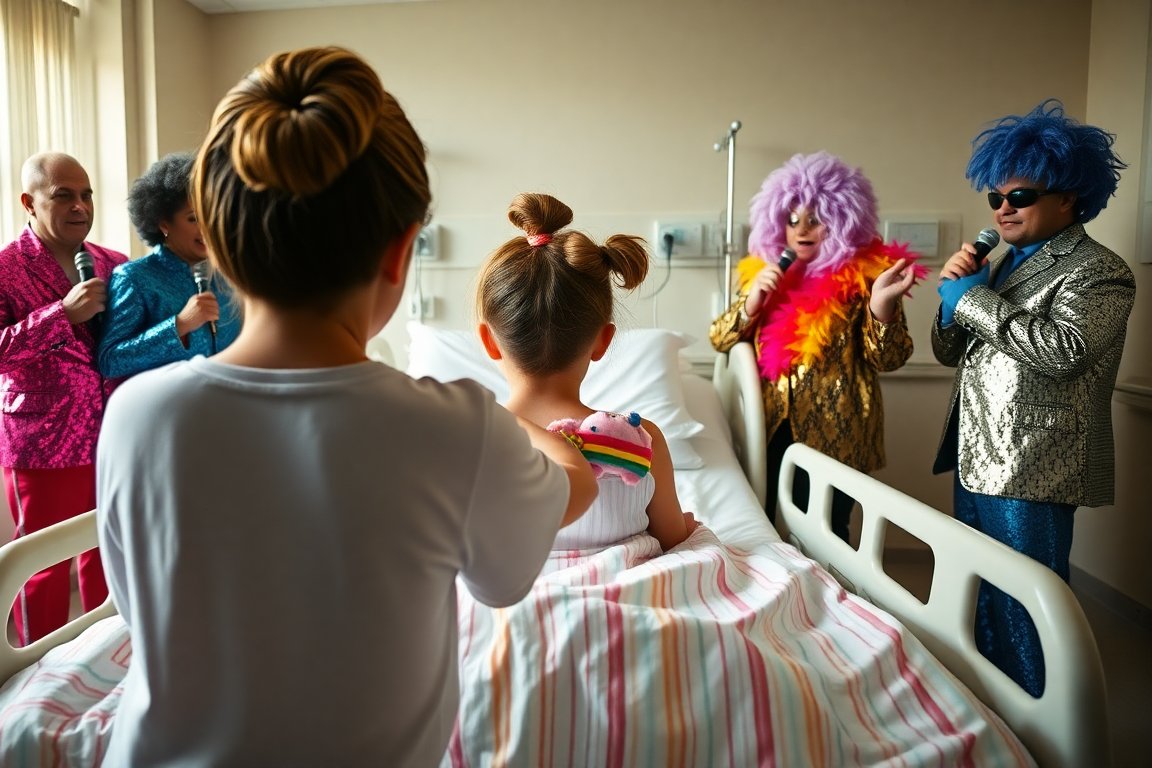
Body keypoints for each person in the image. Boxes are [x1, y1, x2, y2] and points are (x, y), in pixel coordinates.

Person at [94, 47, 598, 767]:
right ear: (400, 252)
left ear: (223, 250)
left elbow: (137, 603)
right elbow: (523, 552)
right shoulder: (456, 429)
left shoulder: (138, 414)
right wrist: (553, 440)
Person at [932, 99, 1135, 697]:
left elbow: (1065, 350)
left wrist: (971, 299)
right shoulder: (997, 267)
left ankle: (1048, 726)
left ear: (1069, 196)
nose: (1001, 209)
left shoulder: (1099, 269)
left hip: (1036, 464)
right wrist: (955, 292)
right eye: (995, 198)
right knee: (977, 599)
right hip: (976, 456)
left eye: (1018, 197)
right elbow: (952, 355)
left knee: (1029, 605)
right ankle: (993, 714)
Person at [0, 151, 125, 646]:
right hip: (42, 441)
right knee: (44, 562)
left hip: (116, 432)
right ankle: (35, 675)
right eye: (64, 195)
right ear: (29, 202)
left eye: (87, 194)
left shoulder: (116, 264)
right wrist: (58, 316)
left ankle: (103, 658)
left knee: (108, 552)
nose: (80, 206)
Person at [709, 151, 925, 542]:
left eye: (816, 218)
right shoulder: (765, 278)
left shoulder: (866, 282)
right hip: (771, 427)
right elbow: (719, 339)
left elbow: (889, 358)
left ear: (844, 220)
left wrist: (881, 307)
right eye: (792, 219)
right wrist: (751, 304)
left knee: (828, 535)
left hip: (838, 433)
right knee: (767, 525)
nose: (802, 229)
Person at [475, 192, 698, 554]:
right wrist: (688, 529)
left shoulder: (468, 442)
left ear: (489, 341)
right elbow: (675, 541)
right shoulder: (641, 443)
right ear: (602, 341)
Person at [98, 152, 239, 378]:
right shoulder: (134, 278)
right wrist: (179, 325)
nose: (206, 227)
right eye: (193, 218)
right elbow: (110, 361)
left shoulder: (229, 276)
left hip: (228, 403)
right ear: (164, 224)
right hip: (171, 408)